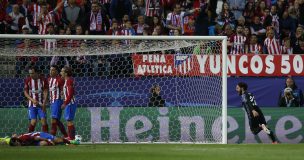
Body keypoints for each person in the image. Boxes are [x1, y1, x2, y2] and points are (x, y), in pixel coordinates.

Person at [24, 66, 49, 133]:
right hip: (32, 105)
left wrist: (44, 104)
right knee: (33, 121)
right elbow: (25, 93)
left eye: (32, 73)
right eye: (30, 73)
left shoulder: (43, 80)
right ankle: (28, 137)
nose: (30, 75)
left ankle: (46, 137)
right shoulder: (28, 80)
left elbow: (46, 91)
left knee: (44, 121)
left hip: (41, 105)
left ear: (37, 73)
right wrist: (32, 100)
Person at [48, 65, 68, 137]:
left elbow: (64, 91)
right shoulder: (49, 79)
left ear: (56, 71)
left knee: (53, 119)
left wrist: (64, 102)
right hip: (52, 102)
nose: (51, 71)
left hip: (58, 101)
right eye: (50, 70)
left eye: (53, 70)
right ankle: (66, 136)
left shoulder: (60, 80)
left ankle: (51, 138)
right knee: (56, 121)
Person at [60, 66, 77, 140]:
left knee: (69, 121)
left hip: (70, 103)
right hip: (69, 103)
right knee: (68, 120)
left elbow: (71, 93)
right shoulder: (67, 81)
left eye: (62, 71)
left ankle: (71, 139)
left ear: (66, 73)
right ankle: (71, 137)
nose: (60, 73)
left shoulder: (69, 81)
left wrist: (65, 103)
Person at [8, 132, 78, 146]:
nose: (17, 146)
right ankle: (63, 144)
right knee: (43, 144)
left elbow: (37, 138)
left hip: (40, 135)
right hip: (34, 142)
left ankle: (70, 141)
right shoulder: (18, 141)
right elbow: (14, 134)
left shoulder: (24, 138)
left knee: (56, 140)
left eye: (16, 144)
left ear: (17, 141)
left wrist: (48, 140)